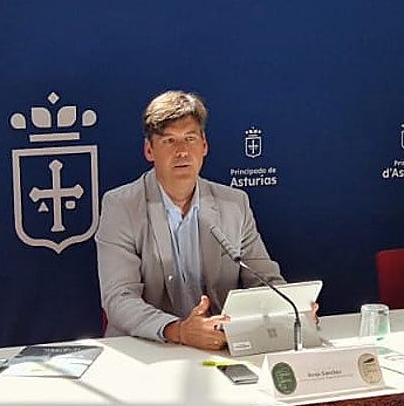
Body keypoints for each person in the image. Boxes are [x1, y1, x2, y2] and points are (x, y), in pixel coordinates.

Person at [96, 90, 286, 351]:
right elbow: (119, 298)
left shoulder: (234, 203)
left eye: (190, 139)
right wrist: (179, 331)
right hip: (148, 347)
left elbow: (265, 279)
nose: (182, 151)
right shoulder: (121, 206)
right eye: (169, 141)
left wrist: (289, 308)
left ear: (204, 145)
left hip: (219, 345)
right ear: (149, 150)